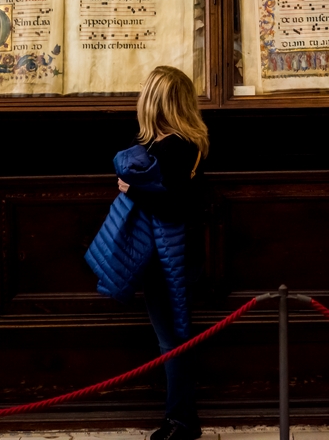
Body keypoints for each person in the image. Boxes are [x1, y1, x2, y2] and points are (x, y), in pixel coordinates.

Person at [117, 66, 209, 440]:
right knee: (174, 338)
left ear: (154, 101)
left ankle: (181, 423)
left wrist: (130, 189)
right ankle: (183, 419)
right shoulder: (187, 144)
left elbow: (173, 205)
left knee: (172, 341)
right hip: (177, 253)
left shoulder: (173, 147)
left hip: (167, 257)